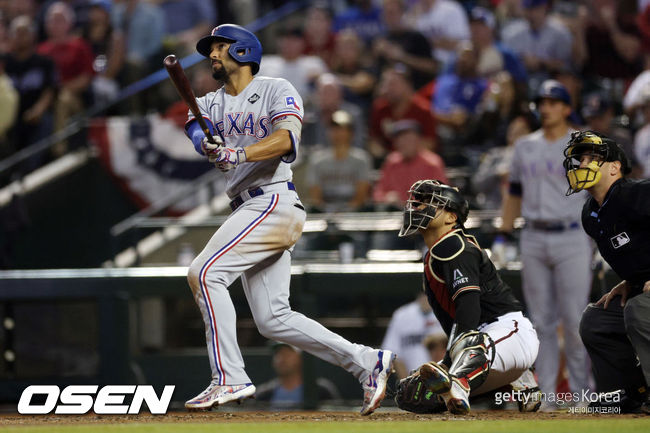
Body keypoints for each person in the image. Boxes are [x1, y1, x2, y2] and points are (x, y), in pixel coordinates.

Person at [182, 24, 395, 416]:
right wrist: (206, 142)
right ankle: (366, 361)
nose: (212, 54)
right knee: (273, 320)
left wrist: (239, 155)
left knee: (204, 273)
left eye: (220, 47)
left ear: (244, 51)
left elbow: (286, 140)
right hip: (249, 208)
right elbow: (196, 126)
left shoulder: (275, 89)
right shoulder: (210, 102)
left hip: (272, 201)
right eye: (210, 48)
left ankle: (228, 377)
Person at [394, 180, 540, 414]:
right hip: (490, 347)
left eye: (429, 203)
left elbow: (468, 308)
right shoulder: (435, 252)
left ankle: (462, 383)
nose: (417, 208)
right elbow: (452, 321)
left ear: (451, 217)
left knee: (467, 343)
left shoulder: (453, 245)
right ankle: (519, 382)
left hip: (509, 332)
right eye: (418, 203)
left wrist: (453, 361)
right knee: (413, 394)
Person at [497, 79, 592, 409]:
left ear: (567, 108)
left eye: (554, 102)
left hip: (572, 235)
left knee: (575, 320)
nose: (547, 107)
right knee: (541, 323)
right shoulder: (525, 145)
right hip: (534, 235)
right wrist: (503, 233)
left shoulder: (582, 143)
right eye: (543, 102)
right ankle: (548, 397)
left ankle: (582, 395)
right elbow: (514, 193)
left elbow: (597, 190)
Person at [563, 130, 650, 413]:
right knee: (596, 320)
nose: (582, 164)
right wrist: (630, 280)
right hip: (642, 287)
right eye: (580, 159)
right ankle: (633, 393)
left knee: (637, 309)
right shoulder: (591, 213)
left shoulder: (637, 193)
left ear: (615, 168)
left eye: (592, 158)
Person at [306, 110, 372, 212]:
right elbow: (316, 197)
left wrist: (345, 212)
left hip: (354, 214)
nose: (337, 133)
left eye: (342, 129)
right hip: (324, 214)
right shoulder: (317, 160)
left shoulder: (361, 159)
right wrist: (329, 213)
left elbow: (361, 196)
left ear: (351, 133)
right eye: (333, 129)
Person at [373, 119, 447, 209]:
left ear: (419, 140)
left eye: (408, 139)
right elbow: (378, 193)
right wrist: (386, 197)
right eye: (399, 139)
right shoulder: (391, 162)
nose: (403, 143)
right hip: (395, 216)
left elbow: (443, 196)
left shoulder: (432, 163)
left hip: (425, 216)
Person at [255, 342, 341, 410]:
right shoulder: (263, 394)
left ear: (301, 357)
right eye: (278, 354)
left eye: (287, 354)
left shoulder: (322, 391)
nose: (281, 359)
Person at [381, 292, 445, 379]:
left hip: (441, 379)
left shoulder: (446, 311)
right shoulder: (402, 315)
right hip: (412, 377)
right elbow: (393, 353)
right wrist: (406, 383)